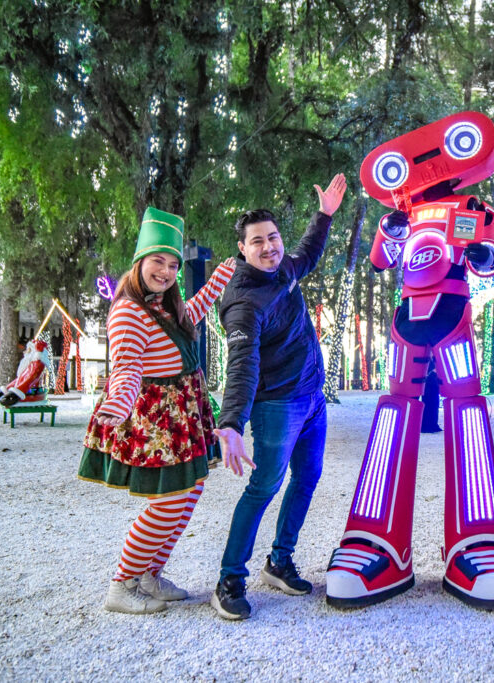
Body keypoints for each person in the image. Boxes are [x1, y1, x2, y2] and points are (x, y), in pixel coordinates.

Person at [78, 207, 236, 614]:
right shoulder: (128, 311)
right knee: (169, 500)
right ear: (139, 262)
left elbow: (189, 316)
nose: (166, 272)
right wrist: (119, 400)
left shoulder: (162, 304)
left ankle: (150, 574)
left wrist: (217, 281)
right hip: (159, 420)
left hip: (183, 411)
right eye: (158, 262)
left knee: (191, 491)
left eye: (172, 265)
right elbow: (127, 366)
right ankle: (121, 584)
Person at [210, 173, 347, 621]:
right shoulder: (243, 303)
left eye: (273, 238)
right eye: (258, 242)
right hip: (277, 407)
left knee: (307, 478)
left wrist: (324, 215)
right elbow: (242, 365)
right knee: (264, 487)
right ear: (242, 249)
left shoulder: (284, 267)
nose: (269, 247)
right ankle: (230, 579)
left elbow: (307, 253)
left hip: (312, 398)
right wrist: (231, 423)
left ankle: (279, 560)